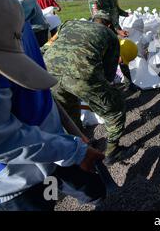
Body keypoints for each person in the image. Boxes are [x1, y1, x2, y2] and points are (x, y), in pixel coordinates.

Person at [0, 0, 106, 211]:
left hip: (47, 147)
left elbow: (35, 85)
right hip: (7, 184)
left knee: (89, 188)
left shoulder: (12, 16)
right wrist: (74, 151)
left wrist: (66, 139)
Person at [42, 11, 138, 166]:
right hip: (81, 75)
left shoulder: (70, 23)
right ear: (108, 25)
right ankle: (113, 151)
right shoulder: (110, 37)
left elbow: (47, 45)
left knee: (68, 111)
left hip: (48, 70)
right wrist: (100, 98)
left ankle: (81, 147)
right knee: (116, 109)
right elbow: (107, 76)